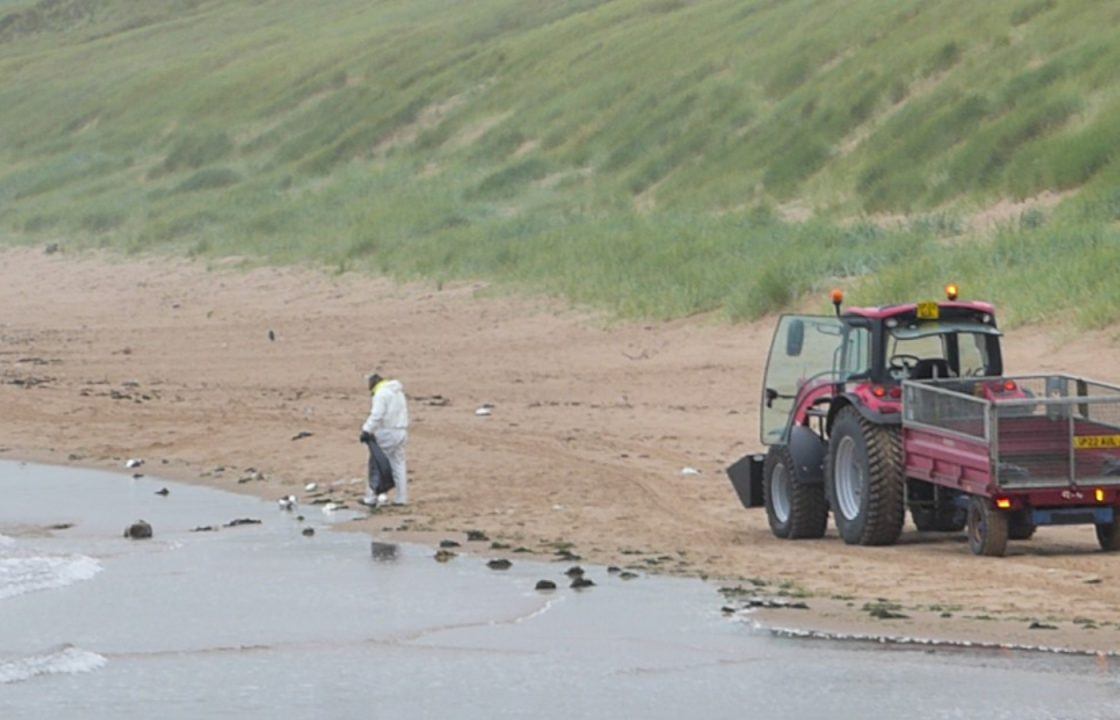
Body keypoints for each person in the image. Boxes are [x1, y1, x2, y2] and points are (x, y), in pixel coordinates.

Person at [359, 372, 409, 506]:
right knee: (399, 464)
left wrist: (366, 429)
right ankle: (401, 498)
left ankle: (370, 497)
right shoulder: (397, 392)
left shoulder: (381, 394)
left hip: (387, 432)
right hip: (402, 430)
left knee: (376, 464)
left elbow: (377, 415)